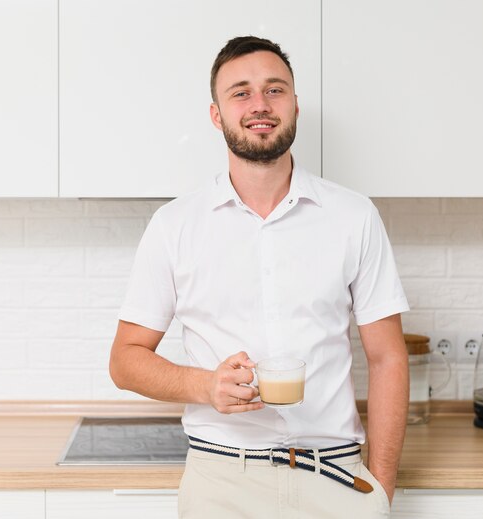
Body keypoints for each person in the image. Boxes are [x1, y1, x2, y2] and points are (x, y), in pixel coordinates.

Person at [109, 35, 410, 518]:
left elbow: (388, 358)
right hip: (221, 482)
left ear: (295, 105)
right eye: (240, 92)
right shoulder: (175, 225)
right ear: (216, 114)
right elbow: (125, 361)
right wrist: (205, 386)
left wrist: (380, 490)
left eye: (275, 90)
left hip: (336, 478)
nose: (260, 105)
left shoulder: (354, 216)